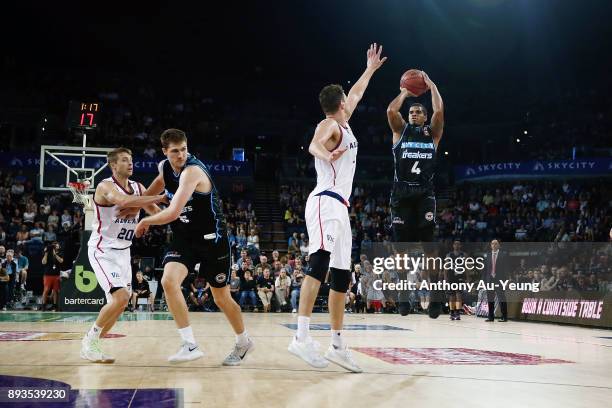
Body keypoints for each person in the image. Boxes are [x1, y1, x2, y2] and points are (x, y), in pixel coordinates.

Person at [288, 43, 386, 373]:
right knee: (319, 263)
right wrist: (322, 153)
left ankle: (337, 345)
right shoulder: (329, 125)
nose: (351, 100)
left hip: (341, 208)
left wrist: (370, 69)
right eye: (347, 98)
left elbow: (357, 93)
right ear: (339, 104)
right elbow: (316, 141)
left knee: (342, 277)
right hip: (324, 201)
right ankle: (300, 338)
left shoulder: (345, 123)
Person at [135, 129, 253, 365]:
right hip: (185, 239)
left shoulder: (193, 171)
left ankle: (243, 342)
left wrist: (148, 220)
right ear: (165, 152)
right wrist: (134, 207)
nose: (180, 155)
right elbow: (148, 197)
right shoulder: (164, 168)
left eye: (184, 149)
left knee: (221, 299)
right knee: (168, 281)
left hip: (213, 240)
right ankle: (189, 345)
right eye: (175, 151)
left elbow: (174, 211)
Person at [81, 147, 164, 363]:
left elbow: (156, 212)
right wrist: (161, 196)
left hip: (124, 252)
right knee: (121, 297)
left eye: (131, 159)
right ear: (113, 165)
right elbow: (124, 202)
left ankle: (94, 343)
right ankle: (89, 341)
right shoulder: (104, 186)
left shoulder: (138, 187)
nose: (130, 163)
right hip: (103, 250)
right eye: (125, 160)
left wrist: (178, 212)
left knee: (119, 306)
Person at [386, 70, 445, 318]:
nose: (414, 113)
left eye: (418, 112)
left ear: (425, 116)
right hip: (401, 193)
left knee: (429, 248)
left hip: (424, 194)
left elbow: (440, 111)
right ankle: (402, 295)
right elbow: (391, 112)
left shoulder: (432, 133)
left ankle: (433, 297)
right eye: (411, 111)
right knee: (400, 250)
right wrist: (404, 92)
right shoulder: (400, 131)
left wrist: (431, 85)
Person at [482, 239, 508, 322]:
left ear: (499, 245)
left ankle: (504, 316)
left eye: (496, 244)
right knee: (490, 298)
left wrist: (505, 280)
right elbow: (484, 270)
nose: (494, 245)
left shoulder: (503, 255)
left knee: (501, 298)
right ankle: (491, 317)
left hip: (499, 280)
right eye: (492, 244)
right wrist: (484, 281)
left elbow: (506, 269)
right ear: (490, 245)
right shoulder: (488, 255)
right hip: (489, 280)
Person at [445, 240, 466, 320]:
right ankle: (452, 312)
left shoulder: (463, 255)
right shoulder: (449, 255)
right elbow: (446, 267)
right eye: (455, 244)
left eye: (458, 244)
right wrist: (445, 278)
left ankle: (457, 312)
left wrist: (467, 277)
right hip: (451, 277)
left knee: (459, 295)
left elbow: (466, 267)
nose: (457, 245)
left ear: (460, 246)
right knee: (452, 296)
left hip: (460, 277)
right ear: (453, 246)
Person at [41, 242, 63, 311]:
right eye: (54, 246)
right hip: (48, 275)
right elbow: (43, 262)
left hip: (56, 275)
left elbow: (61, 261)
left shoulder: (60, 253)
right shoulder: (47, 253)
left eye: (57, 246)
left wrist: (55, 254)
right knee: (46, 290)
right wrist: (46, 253)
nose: (55, 247)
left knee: (56, 291)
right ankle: (43, 305)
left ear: (59, 247)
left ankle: (55, 306)